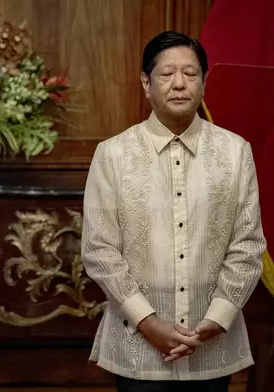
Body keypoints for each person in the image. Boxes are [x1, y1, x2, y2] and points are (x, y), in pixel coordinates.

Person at [81, 30, 266, 392]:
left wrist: (216, 318)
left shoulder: (234, 151)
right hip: (137, 347)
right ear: (146, 82)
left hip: (211, 345)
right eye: (166, 75)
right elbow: (100, 250)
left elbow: (248, 244)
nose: (179, 84)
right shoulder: (113, 154)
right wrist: (147, 322)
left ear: (205, 81)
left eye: (190, 74)